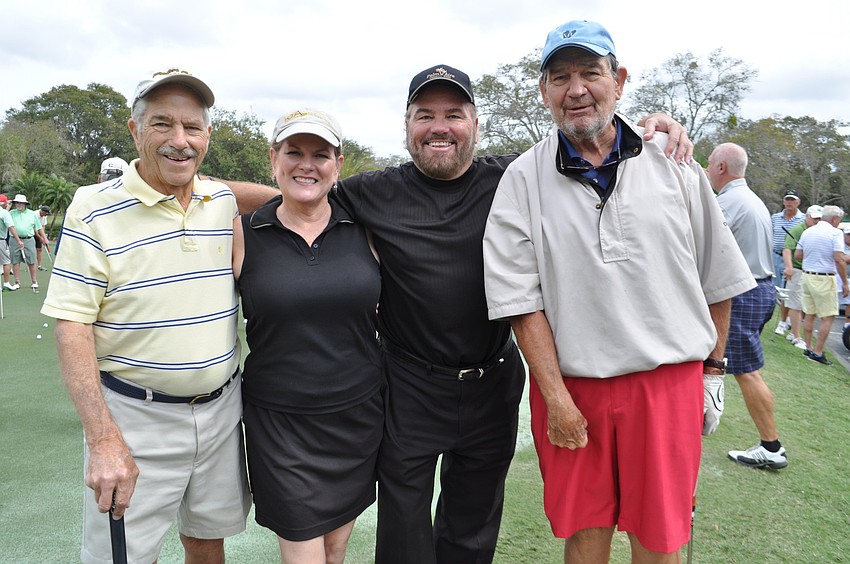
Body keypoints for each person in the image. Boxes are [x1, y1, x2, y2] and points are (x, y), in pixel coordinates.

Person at [222, 67, 694, 564]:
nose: (439, 127)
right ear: (407, 125)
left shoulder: (516, 177)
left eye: (454, 114)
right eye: (425, 115)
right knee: (404, 528)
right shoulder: (372, 192)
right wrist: (202, 193)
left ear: (475, 123)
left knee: (472, 526)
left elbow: (590, 144)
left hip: (493, 381)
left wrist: (651, 127)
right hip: (408, 386)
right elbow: (300, 190)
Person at [482, 20, 754, 563]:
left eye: (590, 72)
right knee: (585, 533)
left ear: (620, 80)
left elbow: (717, 276)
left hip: (667, 384)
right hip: (573, 388)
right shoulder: (522, 177)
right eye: (560, 77)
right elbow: (521, 303)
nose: (576, 89)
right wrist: (556, 397)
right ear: (544, 91)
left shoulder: (675, 162)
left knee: (660, 537)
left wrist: (714, 373)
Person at [40, 69, 251, 563]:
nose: (180, 140)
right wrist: (103, 440)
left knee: (207, 540)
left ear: (207, 136)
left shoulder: (218, 199)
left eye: (192, 127)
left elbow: (261, 195)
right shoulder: (94, 208)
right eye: (162, 124)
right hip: (136, 419)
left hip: (222, 412)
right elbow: (73, 328)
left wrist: (325, 192)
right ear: (135, 131)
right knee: (127, 556)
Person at [234, 108, 383, 564]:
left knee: (335, 551)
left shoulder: (367, 227)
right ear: (273, 159)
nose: (307, 164)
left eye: (320, 154)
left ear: (338, 164)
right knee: (304, 552)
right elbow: (197, 189)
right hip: (280, 425)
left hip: (357, 417)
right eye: (293, 152)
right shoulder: (242, 231)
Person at [708, 143, 789, 471]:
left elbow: (701, 245)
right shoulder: (751, 199)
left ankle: (771, 447)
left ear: (721, 168)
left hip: (743, 293)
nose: (708, 169)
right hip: (759, 289)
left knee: (746, 372)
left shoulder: (729, 202)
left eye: (710, 163)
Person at [795, 205, 848, 365]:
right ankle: (818, 352)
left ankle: (809, 347)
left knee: (810, 313)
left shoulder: (808, 231)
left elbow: (798, 254)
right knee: (828, 316)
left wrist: (814, 254)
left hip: (807, 275)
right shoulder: (835, 233)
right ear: (834, 218)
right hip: (824, 277)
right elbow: (839, 259)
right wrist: (845, 282)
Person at [782, 205, 823, 348]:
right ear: (807, 216)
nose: (816, 221)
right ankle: (796, 336)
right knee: (796, 304)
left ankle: (794, 332)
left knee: (805, 305)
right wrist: (789, 267)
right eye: (814, 218)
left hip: (809, 271)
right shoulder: (798, 230)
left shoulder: (817, 232)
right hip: (797, 270)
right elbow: (787, 249)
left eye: (819, 219)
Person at [771, 189, 805, 335]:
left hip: (793, 260)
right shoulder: (775, 218)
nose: (790, 203)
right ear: (784, 201)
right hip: (775, 256)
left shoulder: (803, 219)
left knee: (789, 291)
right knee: (776, 290)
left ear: (798, 202)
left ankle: (784, 321)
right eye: (787, 200)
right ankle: (784, 319)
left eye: (792, 200)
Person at [9, 193, 48, 291]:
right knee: (15, 261)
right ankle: (16, 282)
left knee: (31, 261)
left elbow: (39, 227)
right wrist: (8, 206)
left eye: (20, 203)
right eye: (16, 203)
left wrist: (44, 238)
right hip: (14, 240)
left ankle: (34, 281)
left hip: (29, 239)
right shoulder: (11, 213)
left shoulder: (32, 214)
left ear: (25, 204)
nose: (18, 204)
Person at [1, 196, 24, 291]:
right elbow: (11, 227)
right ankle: (6, 283)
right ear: (3, 203)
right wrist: (18, 240)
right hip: (1, 240)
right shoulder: (4, 213)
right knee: (6, 262)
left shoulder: (4, 211)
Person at [36, 205, 51, 270]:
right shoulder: (35, 215)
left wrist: (43, 236)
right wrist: (40, 237)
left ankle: (39, 265)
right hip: (30, 232)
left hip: (39, 232)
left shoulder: (44, 216)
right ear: (42, 211)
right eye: (46, 213)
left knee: (39, 249)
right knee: (30, 250)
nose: (46, 215)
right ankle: (29, 265)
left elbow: (43, 226)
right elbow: (33, 228)